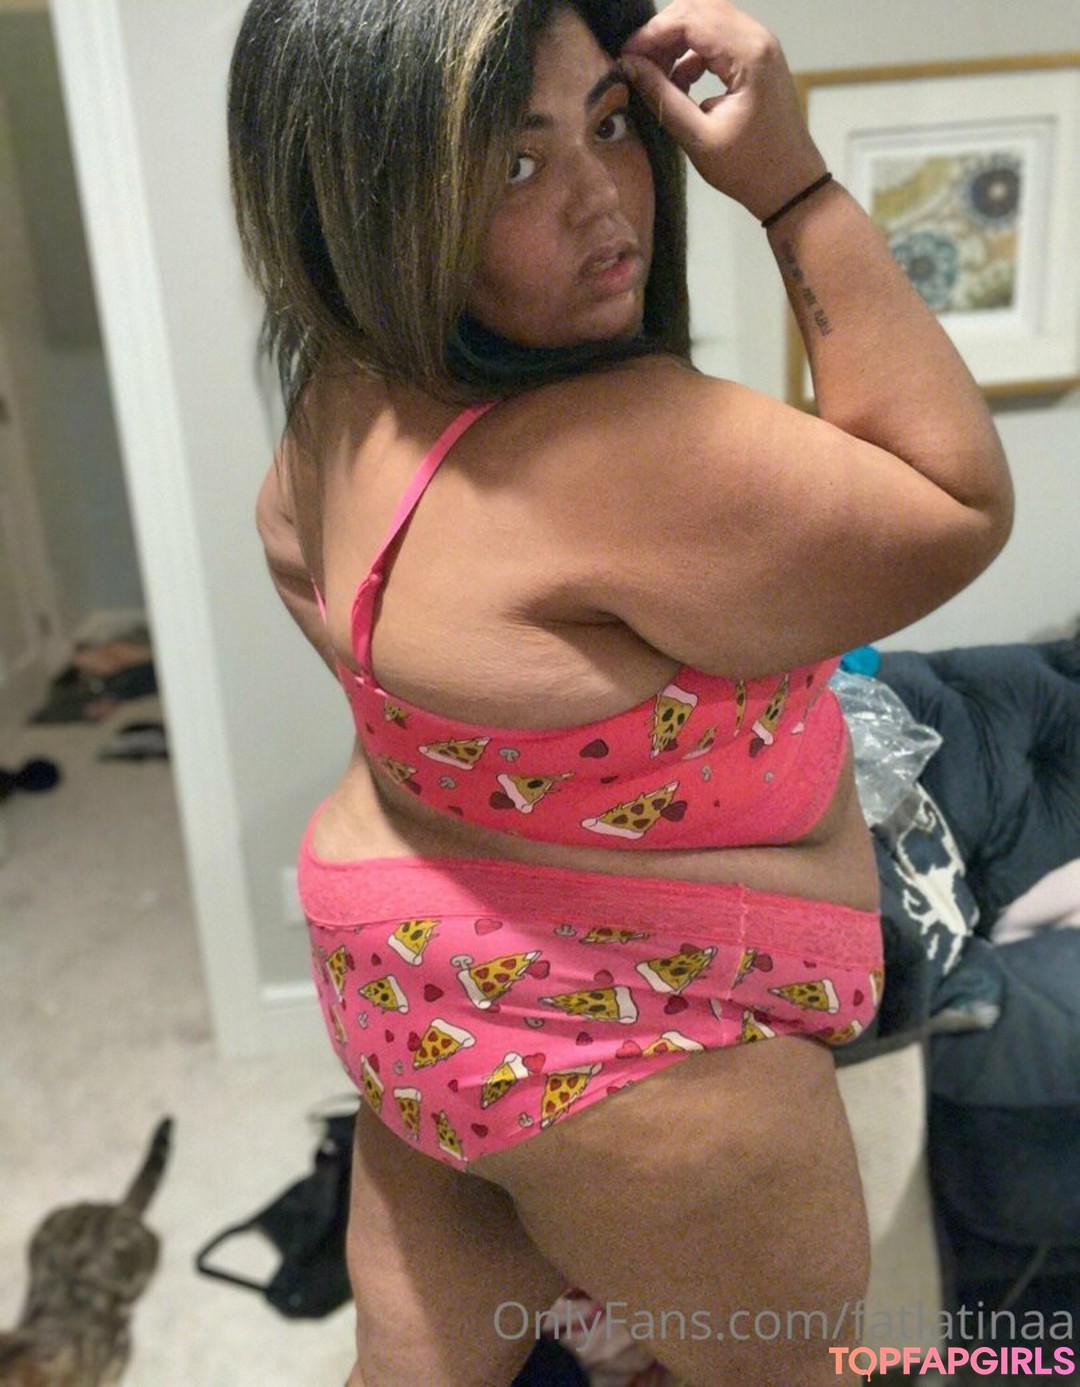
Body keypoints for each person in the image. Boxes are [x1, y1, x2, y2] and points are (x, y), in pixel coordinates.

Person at [231, 0, 1013, 1381]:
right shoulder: (632, 448)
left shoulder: (341, 396)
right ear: (371, 196)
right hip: (638, 1054)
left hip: (406, 993)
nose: (603, 202)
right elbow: (956, 504)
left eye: (608, 124)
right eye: (514, 164)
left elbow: (308, 577)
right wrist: (792, 185)